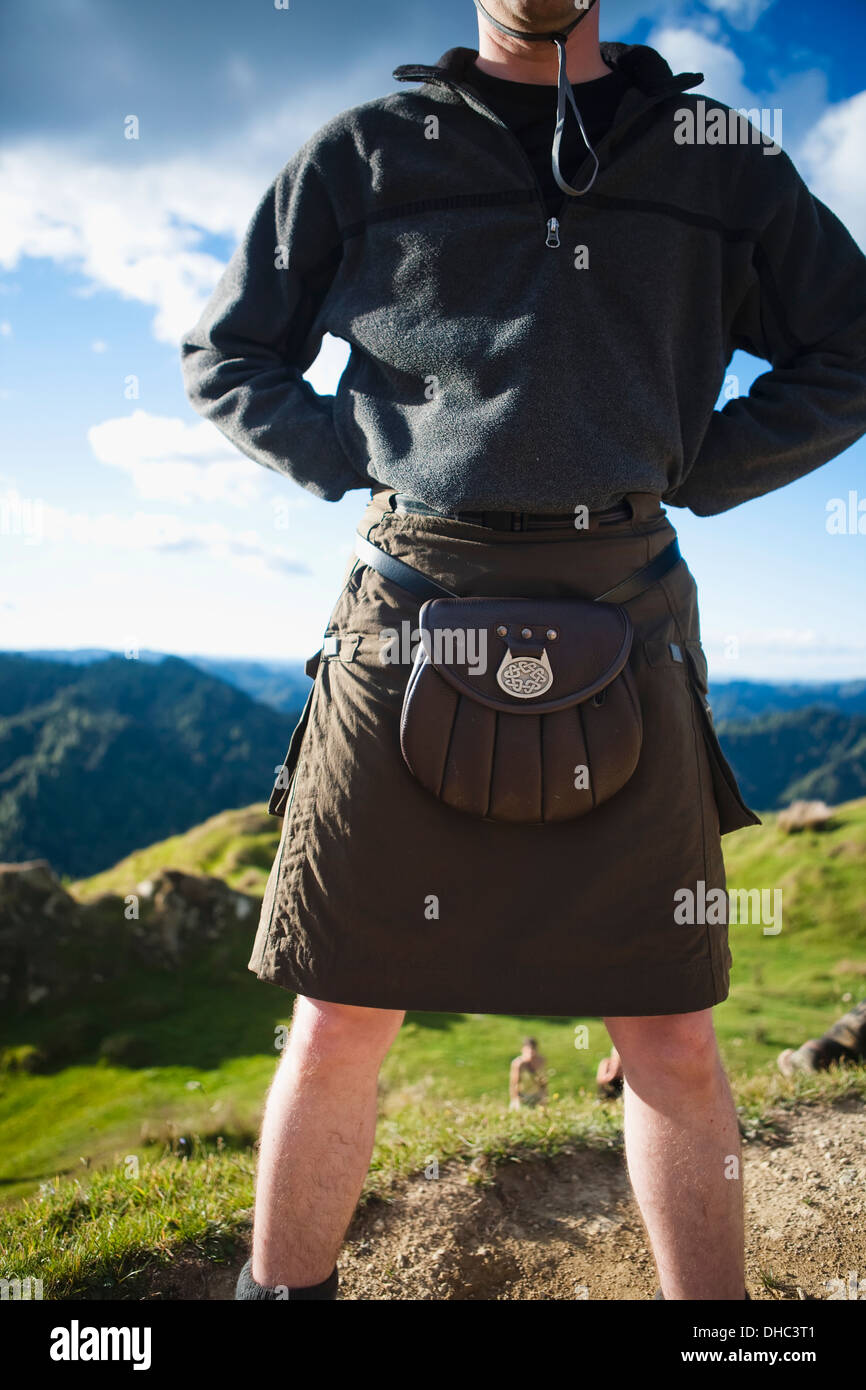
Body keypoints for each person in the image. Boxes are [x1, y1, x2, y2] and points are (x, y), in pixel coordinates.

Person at [179, 0, 866, 1302]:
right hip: (403, 599)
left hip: (631, 596)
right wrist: (351, 453)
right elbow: (228, 348)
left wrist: (699, 464)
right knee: (336, 1013)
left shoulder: (718, 152)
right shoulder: (370, 150)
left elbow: (851, 336)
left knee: (668, 1029)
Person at [778, 999, 866, 1076]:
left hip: (846, 1040)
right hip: (846, 1041)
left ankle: (793, 1060)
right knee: (814, 1055)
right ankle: (794, 1060)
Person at [509, 1036, 548, 1110]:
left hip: (537, 1095)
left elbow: (543, 1081)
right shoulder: (518, 1064)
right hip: (523, 1097)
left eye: (533, 1050)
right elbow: (514, 1084)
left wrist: (544, 1096)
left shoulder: (541, 1061)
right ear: (522, 1050)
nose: (531, 1053)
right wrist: (515, 1100)